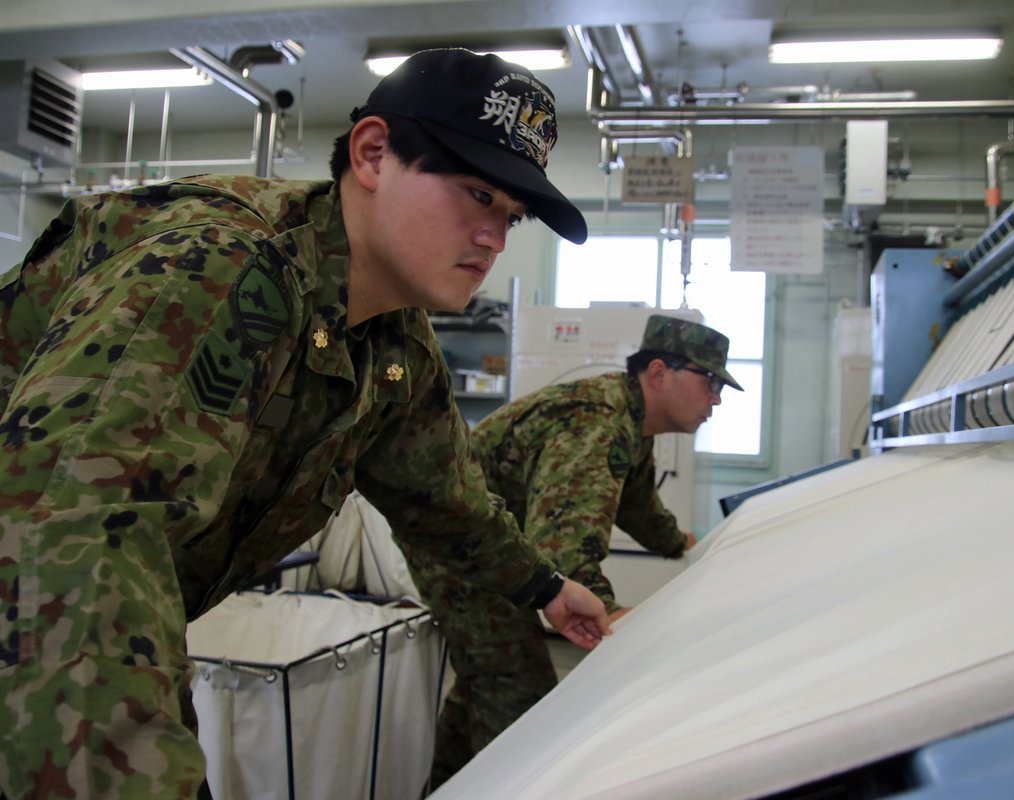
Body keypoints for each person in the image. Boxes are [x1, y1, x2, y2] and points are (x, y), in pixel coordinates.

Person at [0, 48, 611, 800]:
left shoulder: (392, 343)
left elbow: (444, 499)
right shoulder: (215, 268)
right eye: (476, 193)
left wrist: (546, 587)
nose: (493, 237)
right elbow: (77, 546)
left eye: (510, 216)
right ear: (373, 153)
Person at [406, 313, 743, 787]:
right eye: (709, 380)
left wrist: (682, 543)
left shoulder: (629, 419)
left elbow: (639, 505)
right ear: (660, 374)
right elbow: (563, 545)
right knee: (520, 697)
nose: (717, 397)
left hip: (490, 543)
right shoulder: (600, 421)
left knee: (488, 680)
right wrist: (609, 613)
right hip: (462, 546)